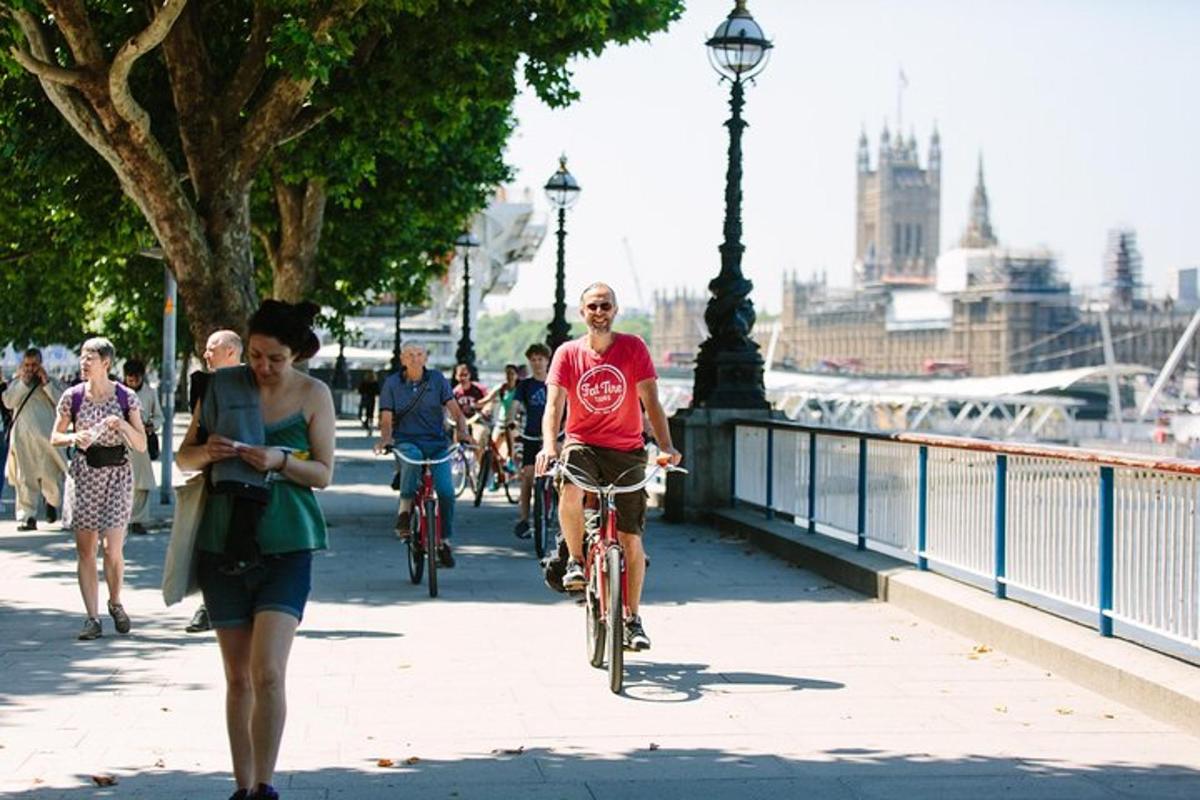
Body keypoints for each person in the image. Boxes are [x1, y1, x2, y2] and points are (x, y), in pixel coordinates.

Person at [177, 300, 335, 800]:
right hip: (223, 542)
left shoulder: (315, 394)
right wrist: (210, 452)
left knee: (267, 672)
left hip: (287, 543)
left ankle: (265, 786)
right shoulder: (222, 387)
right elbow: (184, 458)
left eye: (275, 359)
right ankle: (242, 787)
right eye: (255, 355)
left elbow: (324, 474)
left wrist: (280, 459)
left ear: (297, 356)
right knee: (238, 678)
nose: (263, 367)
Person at [535, 283, 682, 652]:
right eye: (592, 306)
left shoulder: (633, 348)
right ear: (581, 313)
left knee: (631, 538)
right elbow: (554, 407)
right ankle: (575, 560)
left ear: (615, 311)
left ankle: (632, 619)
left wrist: (666, 447)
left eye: (605, 305)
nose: (599, 312)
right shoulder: (568, 353)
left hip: (627, 450)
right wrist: (550, 447)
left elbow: (651, 401)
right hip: (582, 445)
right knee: (570, 485)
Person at [50, 338, 148, 640]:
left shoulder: (126, 397)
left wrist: (121, 425)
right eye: (82, 357)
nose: (83, 362)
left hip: (117, 474)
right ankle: (92, 618)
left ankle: (115, 602)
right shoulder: (72, 396)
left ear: (106, 362)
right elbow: (55, 435)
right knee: (86, 550)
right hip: (84, 474)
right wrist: (73, 437)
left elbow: (141, 444)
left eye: (89, 357)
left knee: (113, 549)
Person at [374, 343, 470, 567]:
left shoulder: (437, 380)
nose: (415, 359)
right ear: (402, 359)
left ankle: (444, 540)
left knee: (446, 492)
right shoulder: (392, 384)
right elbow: (386, 418)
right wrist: (386, 439)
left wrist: (463, 432)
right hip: (407, 440)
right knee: (413, 459)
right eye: (410, 355)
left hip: (437, 443)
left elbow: (455, 411)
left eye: (419, 355)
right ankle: (404, 512)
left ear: (426, 358)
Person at [185, 330, 245, 634]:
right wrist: (205, 453)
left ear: (232, 352)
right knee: (211, 546)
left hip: (252, 480)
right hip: (215, 478)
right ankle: (209, 605)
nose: (206, 354)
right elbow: (186, 452)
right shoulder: (204, 385)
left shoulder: (258, 385)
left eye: (212, 349)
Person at [3, 348, 67, 530]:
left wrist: (46, 383)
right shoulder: (17, 383)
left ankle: (51, 502)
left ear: (41, 365)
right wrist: (23, 382)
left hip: (48, 440)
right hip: (23, 440)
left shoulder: (52, 382)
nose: (31, 369)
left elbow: (63, 402)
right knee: (25, 479)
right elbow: (8, 402)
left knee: (51, 477)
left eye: (34, 365)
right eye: (27, 365)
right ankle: (27, 517)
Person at [511, 345, 551, 539]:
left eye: (540, 359)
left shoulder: (556, 382)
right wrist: (511, 421)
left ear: (547, 361)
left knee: (563, 477)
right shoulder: (525, 385)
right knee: (527, 475)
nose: (537, 363)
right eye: (533, 360)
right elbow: (515, 406)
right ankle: (524, 518)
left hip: (555, 437)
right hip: (531, 436)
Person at [123, 359, 164, 535]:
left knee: (142, 484)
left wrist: (151, 426)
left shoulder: (150, 393)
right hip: (122, 442)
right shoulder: (117, 392)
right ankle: (122, 520)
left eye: (136, 379)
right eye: (129, 379)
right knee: (122, 483)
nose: (133, 383)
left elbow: (159, 417)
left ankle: (138, 520)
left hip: (141, 443)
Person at [479, 363, 520, 469]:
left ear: (516, 375)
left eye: (512, 374)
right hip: (500, 423)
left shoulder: (520, 390)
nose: (509, 376)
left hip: (513, 424)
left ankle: (511, 459)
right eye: (507, 374)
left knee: (509, 432)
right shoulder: (501, 388)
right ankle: (498, 474)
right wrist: (475, 405)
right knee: (492, 448)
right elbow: (487, 399)